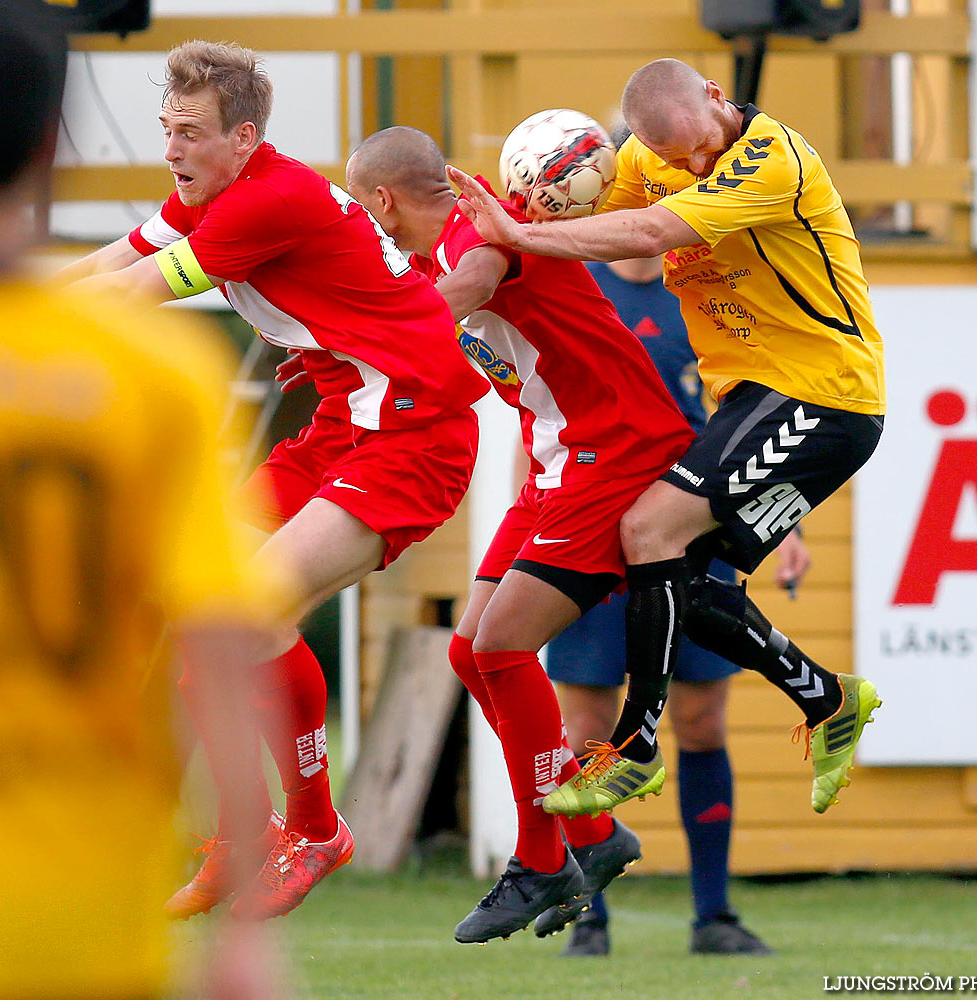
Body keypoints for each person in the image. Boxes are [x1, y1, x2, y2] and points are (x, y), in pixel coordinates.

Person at [0, 15, 287, 1000]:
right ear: (46, 145)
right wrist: (243, 932)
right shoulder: (159, 378)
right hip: (89, 916)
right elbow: (227, 639)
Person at [56, 41, 486, 921]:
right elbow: (106, 265)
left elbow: (134, 293)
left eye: (190, 133)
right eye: (166, 129)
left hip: (415, 433)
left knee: (244, 607)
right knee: (198, 602)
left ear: (245, 137)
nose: (171, 150)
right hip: (343, 428)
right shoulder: (212, 194)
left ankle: (314, 829)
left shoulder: (273, 199)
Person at [448, 56, 884, 819]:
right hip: (752, 399)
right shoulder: (649, 158)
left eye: (699, 148)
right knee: (692, 582)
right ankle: (828, 701)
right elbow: (574, 212)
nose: (694, 166)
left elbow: (647, 230)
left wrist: (514, 231)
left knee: (648, 527)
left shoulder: (770, 158)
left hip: (822, 394)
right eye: (675, 158)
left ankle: (637, 746)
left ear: (718, 98)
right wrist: (500, 224)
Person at [337, 125, 696, 943]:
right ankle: (594, 838)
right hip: (558, 461)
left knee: (500, 650)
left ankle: (545, 858)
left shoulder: (480, 230)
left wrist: (365, 336)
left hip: (618, 453)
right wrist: (338, 362)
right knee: (472, 652)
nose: (369, 224)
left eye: (366, 208)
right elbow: (459, 362)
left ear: (382, 200)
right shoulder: (442, 253)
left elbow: (470, 285)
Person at [548, 253, 809, 957]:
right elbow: (543, 423)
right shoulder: (573, 287)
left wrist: (786, 524)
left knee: (700, 720)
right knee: (586, 731)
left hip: (697, 538)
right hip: (594, 534)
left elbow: (756, 421)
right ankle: (590, 913)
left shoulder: (710, 295)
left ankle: (714, 916)